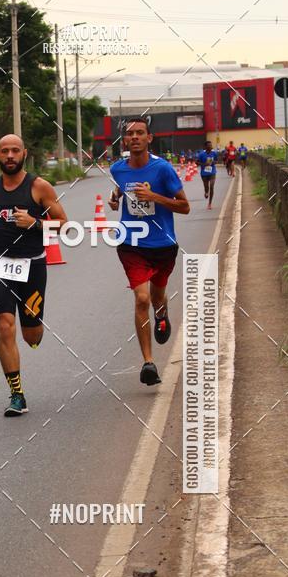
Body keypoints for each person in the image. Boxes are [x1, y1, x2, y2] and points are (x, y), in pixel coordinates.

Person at [0, 134, 67, 416]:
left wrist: (36, 223)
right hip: (0, 265)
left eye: (15, 150)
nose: (10, 155)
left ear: (24, 153)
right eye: (5, 151)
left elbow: (64, 225)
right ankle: (17, 395)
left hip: (33, 266)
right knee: (5, 325)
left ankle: (34, 328)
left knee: (32, 336)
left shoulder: (39, 187)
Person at [109, 117, 190, 386]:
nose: (134, 138)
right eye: (130, 134)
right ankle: (148, 363)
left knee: (157, 295)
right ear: (125, 140)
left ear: (149, 138)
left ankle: (162, 314)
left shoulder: (163, 169)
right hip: (131, 244)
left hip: (163, 244)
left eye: (139, 133)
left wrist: (154, 197)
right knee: (141, 298)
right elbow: (121, 186)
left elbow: (184, 206)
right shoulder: (117, 169)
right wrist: (115, 197)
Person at [198, 139, 219, 209]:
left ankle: (209, 203)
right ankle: (206, 192)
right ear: (205, 147)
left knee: (212, 186)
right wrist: (204, 164)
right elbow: (197, 162)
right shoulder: (201, 154)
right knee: (206, 187)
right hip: (204, 173)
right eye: (209, 146)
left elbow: (216, 160)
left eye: (211, 145)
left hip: (212, 172)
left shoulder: (214, 153)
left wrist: (213, 163)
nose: (211, 146)